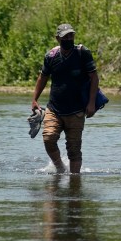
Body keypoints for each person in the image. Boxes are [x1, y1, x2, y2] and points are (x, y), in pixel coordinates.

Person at [32, 23, 99, 174]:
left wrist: (91, 103)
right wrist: (34, 99)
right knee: (48, 139)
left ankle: (75, 179)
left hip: (77, 110)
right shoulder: (51, 56)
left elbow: (94, 78)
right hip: (54, 109)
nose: (68, 39)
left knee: (74, 149)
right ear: (58, 38)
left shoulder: (82, 53)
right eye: (65, 37)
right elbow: (43, 77)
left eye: (71, 36)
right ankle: (60, 169)